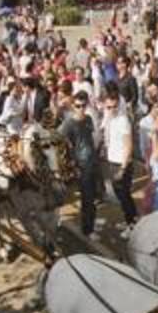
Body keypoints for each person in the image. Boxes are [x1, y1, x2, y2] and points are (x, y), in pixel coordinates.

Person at [60, 93, 99, 235]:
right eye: (77, 106)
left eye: (83, 106)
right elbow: (59, 140)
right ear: (73, 106)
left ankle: (92, 224)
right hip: (81, 167)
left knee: (94, 197)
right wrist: (71, 161)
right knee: (87, 199)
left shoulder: (88, 119)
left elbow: (92, 139)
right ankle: (87, 230)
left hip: (93, 162)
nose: (81, 109)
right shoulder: (68, 124)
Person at [101, 91, 136, 235]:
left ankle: (132, 223)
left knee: (124, 194)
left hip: (121, 163)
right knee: (120, 194)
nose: (111, 110)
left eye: (114, 106)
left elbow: (129, 145)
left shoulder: (123, 120)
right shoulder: (108, 119)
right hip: (112, 160)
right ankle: (130, 220)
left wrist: (123, 167)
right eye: (108, 107)